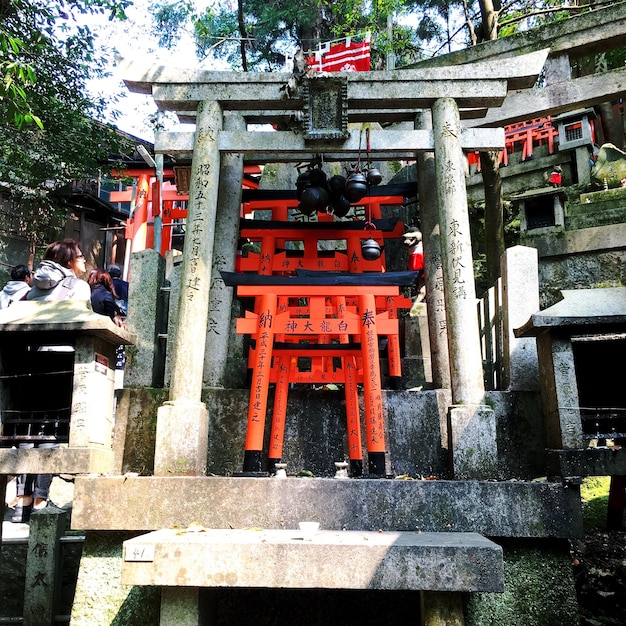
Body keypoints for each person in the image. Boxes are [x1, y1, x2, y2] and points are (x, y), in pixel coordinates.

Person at [11, 239, 90, 523]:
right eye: (80, 257)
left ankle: (22, 501)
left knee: (26, 429)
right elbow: (82, 322)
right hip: (63, 361)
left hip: (31, 362)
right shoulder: (77, 287)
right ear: (69, 261)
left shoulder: (33, 287)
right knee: (50, 430)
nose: (84, 261)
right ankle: (42, 500)